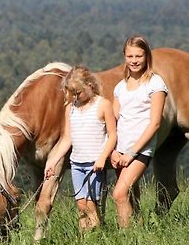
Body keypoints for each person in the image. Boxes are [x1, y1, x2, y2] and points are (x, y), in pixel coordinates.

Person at [45, 66, 117, 231]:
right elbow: (67, 138)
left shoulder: (103, 105)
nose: (73, 97)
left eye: (77, 93)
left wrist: (102, 158)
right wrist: (53, 161)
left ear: (90, 87)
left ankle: (95, 239)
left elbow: (112, 135)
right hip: (77, 164)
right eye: (71, 93)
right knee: (81, 205)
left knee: (92, 204)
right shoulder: (70, 108)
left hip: (94, 164)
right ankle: (84, 240)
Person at [110, 35, 167, 228]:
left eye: (139, 56)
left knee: (119, 194)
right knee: (131, 196)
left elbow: (155, 123)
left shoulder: (155, 84)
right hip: (120, 149)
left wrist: (132, 152)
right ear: (124, 57)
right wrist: (113, 150)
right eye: (130, 56)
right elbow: (114, 120)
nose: (134, 60)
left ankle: (124, 240)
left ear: (146, 56)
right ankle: (138, 232)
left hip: (140, 150)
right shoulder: (119, 87)